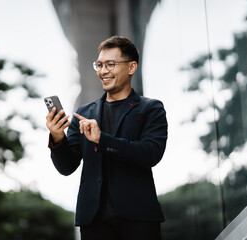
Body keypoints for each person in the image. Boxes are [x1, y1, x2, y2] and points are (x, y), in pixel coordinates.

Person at [46, 36, 168, 240]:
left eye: (110, 64)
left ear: (131, 67)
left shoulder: (151, 108)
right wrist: (58, 139)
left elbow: (151, 153)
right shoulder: (83, 113)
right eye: (99, 65)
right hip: (94, 222)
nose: (102, 71)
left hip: (139, 219)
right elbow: (67, 167)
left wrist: (103, 140)